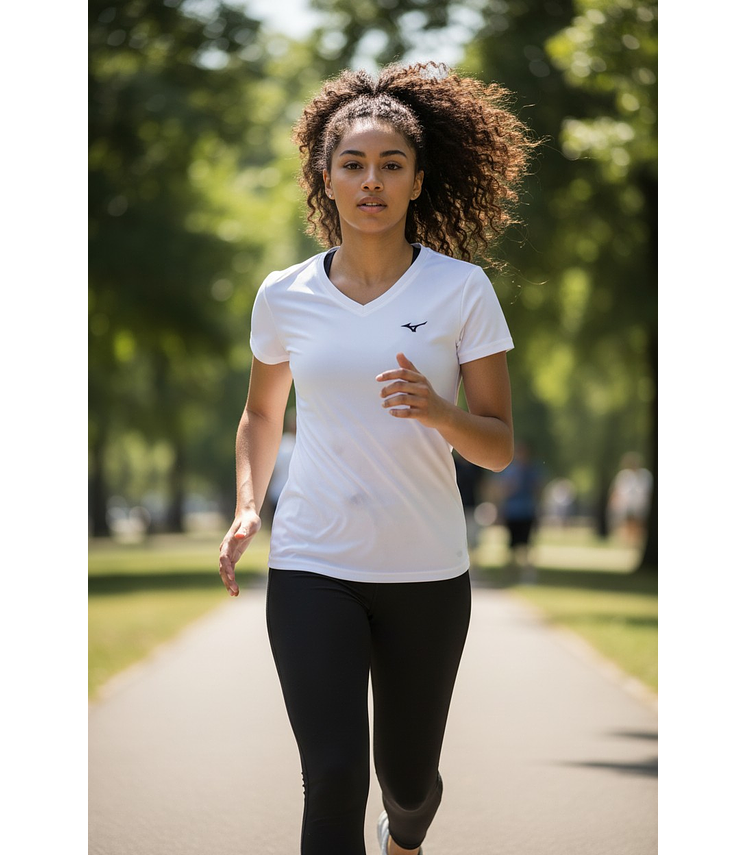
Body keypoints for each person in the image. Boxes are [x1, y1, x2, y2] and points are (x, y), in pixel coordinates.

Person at [217, 60, 539, 855]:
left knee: (408, 783)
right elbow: (262, 412)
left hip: (426, 571)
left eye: (391, 165)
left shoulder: (461, 292)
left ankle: (406, 832)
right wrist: (249, 504)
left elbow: (498, 442)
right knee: (331, 776)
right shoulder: (284, 294)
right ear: (324, 178)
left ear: (418, 181)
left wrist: (437, 410)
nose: (371, 182)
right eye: (353, 165)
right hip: (311, 563)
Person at [497, 440, 546, 582]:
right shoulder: (510, 471)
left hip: (527, 511)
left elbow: (538, 490)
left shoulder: (533, 470)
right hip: (513, 512)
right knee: (511, 546)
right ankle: (510, 574)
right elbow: (503, 491)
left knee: (527, 545)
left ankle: (527, 575)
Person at [608, 451, 652, 547]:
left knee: (639, 524)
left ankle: (636, 542)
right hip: (628, 505)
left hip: (641, 505)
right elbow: (617, 490)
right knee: (628, 523)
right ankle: (629, 541)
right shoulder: (624, 475)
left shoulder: (645, 475)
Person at [262, 408, 297, 529]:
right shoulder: (295, 445)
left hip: (277, 494)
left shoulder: (281, 444)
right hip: (293, 495)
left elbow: (271, 472)